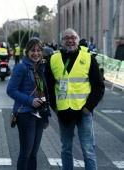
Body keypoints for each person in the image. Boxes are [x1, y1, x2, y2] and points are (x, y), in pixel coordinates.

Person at [45, 28, 105, 170]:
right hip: (64, 112)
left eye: (73, 37)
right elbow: (48, 86)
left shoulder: (88, 58)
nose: (70, 40)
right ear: (61, 41)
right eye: (66, 38)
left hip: (83, 112)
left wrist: (88, 108)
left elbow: (99, 86)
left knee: (88, 150)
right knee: (66, 149)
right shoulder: (53, 59)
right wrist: (55, 108)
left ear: (77, 40)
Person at [6, 37, 51, 170]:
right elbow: (11, 90)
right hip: (26, 115)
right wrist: (30, 101)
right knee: (25, 154)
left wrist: (46, 116)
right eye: (32, 50)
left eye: (38, 50)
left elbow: (44, 93)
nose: (36, 53)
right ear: (27, 52)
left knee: (34, 154)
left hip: (39, 115)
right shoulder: (21, 68)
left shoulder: (40, 68)